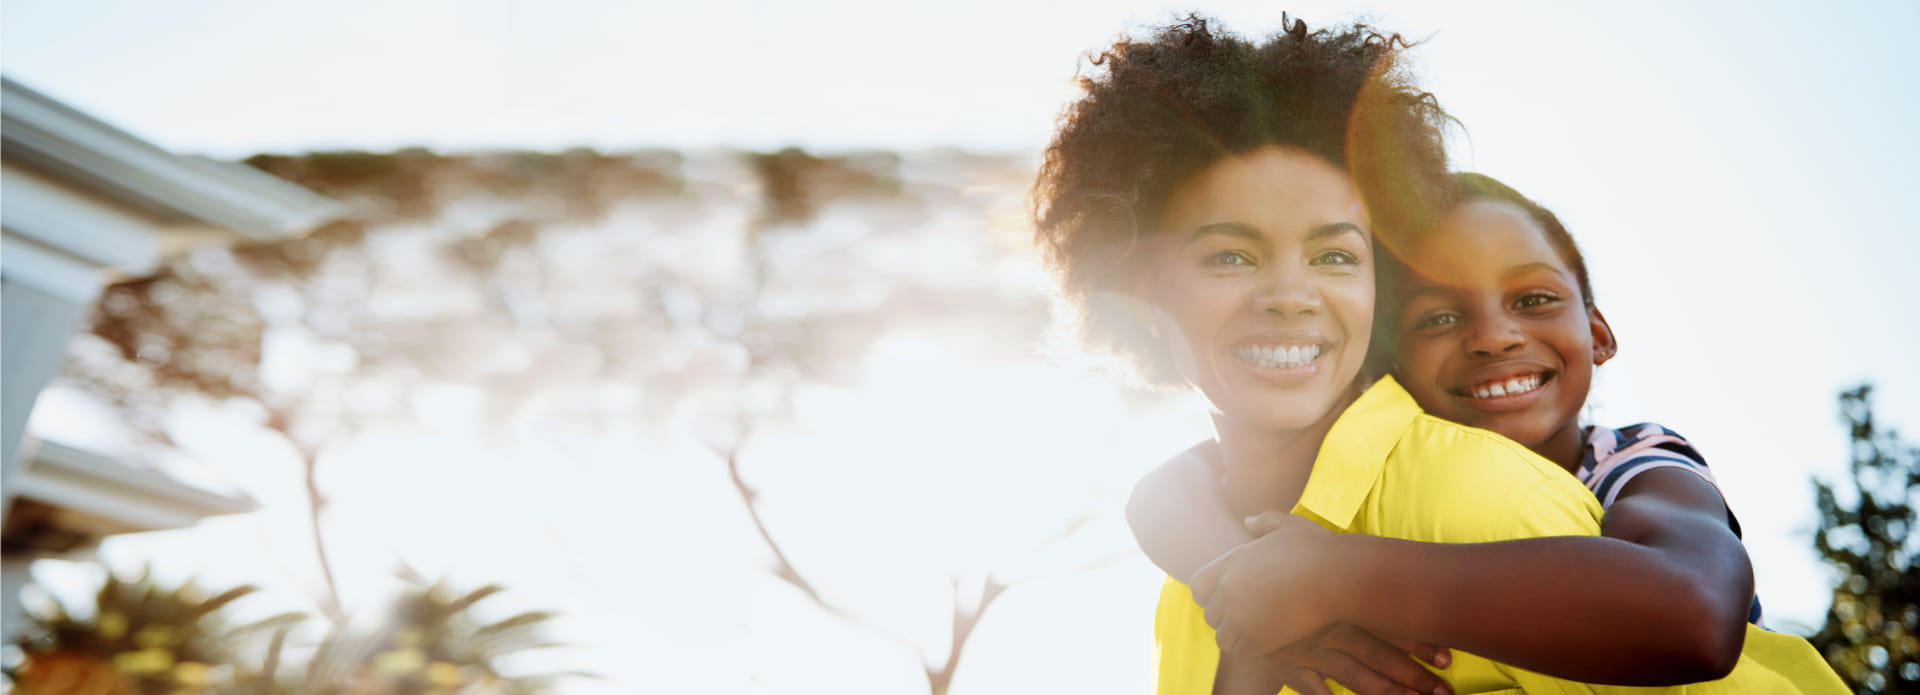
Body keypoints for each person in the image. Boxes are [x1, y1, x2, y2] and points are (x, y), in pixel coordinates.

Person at [1032, 13, 1845, 695]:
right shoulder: (1200, 542)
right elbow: (1165, 491)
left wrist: (1331, 576)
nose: (1492, 338)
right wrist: (1234, 575)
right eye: (1230, 255)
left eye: (1335, 254)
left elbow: (1696, 615)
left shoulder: (1570, 486)